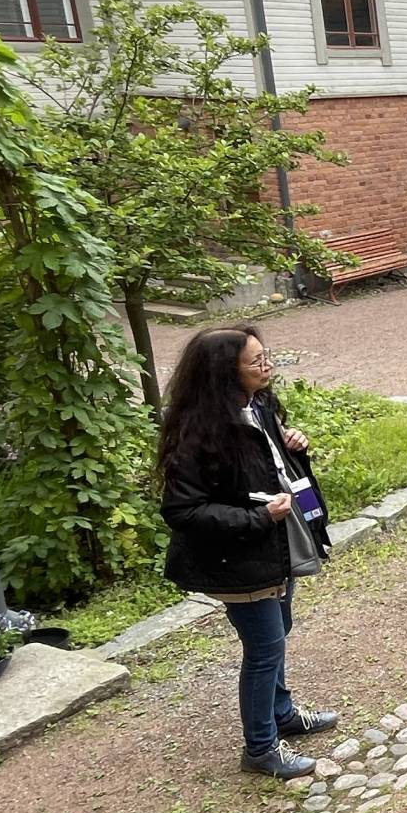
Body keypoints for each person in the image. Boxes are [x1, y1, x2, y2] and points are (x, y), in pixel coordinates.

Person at [158, 325, 342, 780]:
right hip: (239, 558)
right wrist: (259, 520)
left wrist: (294, 445)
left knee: (278, 631)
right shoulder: (199, 431)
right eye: (256, 361)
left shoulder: (257, 405)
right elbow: (183, 511)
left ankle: (282, 714)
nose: (267, 366)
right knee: (263, 648)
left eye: (267, 357)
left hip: (275, 545)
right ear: (225, 371)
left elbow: (268, 468)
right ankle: (260, 748)